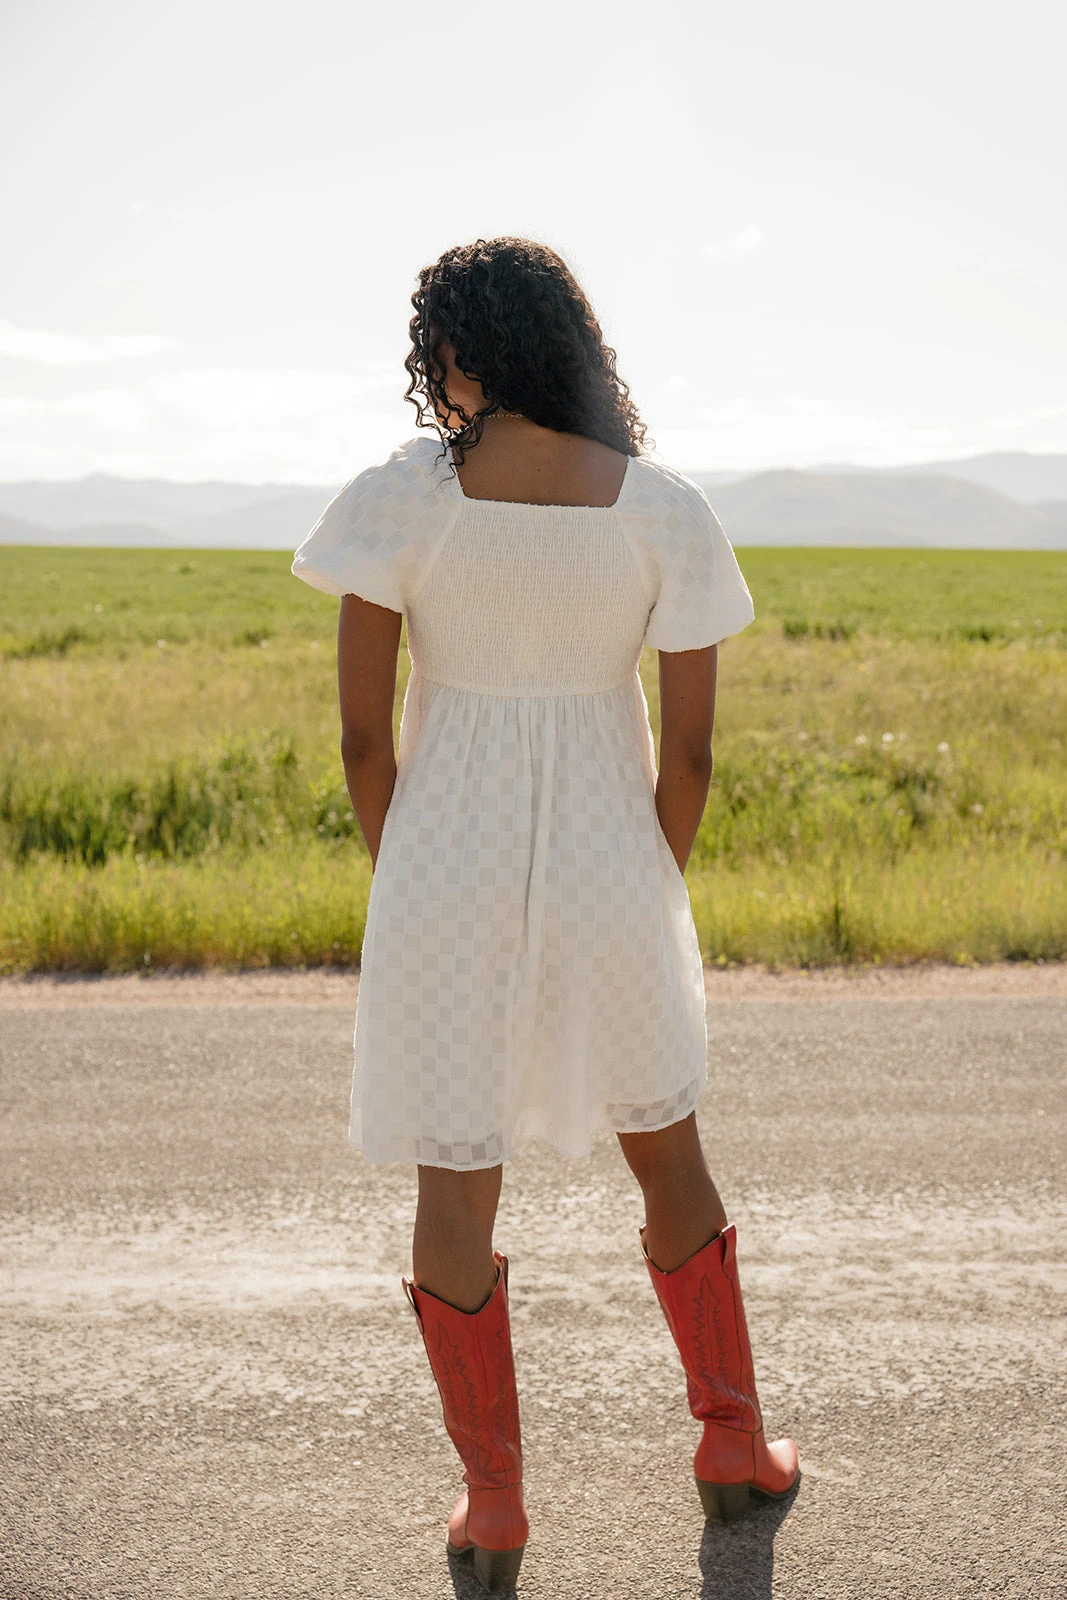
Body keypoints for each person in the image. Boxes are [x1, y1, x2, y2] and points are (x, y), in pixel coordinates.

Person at [291, 236, 799, 1592]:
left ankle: (496, 1507)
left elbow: (360, 741)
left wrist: (416, 875)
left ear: (458, 354)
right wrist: (641, 884)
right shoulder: (663, 509)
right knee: (668, 1153)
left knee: (454, 1180)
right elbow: (690, 757)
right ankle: (732, 1444)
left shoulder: (404, 498)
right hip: (611, 864)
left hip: (442, 870)